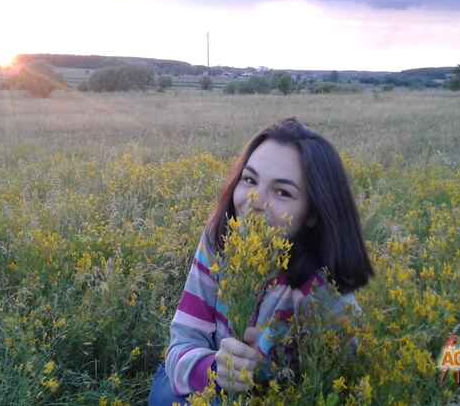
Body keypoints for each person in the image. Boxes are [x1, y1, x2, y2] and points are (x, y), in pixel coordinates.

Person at [148, 118, 374, 405]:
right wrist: (217, 370)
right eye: (250, 180)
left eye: (282, 192)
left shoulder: (325, 294)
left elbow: (344, 382)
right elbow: (182, 343)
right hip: (204, 379)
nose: (255, 200)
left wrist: (272, 366)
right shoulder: (219, 240)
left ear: (313, 213)